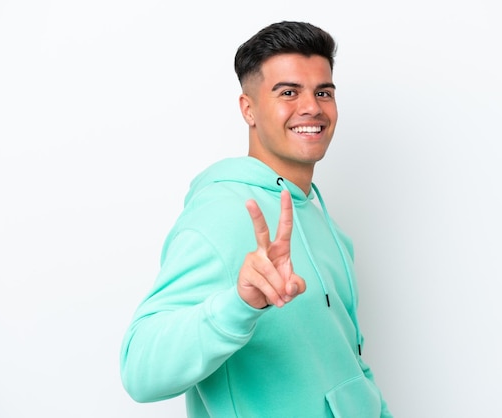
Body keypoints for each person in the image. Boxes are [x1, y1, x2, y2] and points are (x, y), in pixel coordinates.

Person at [120, 20, 393, 417]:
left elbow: (351, 363)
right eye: (288, 92)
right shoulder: (224, 213)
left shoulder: (325, 225)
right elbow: (140, 370)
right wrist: (239, 304)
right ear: (248, 109)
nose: (312, 107)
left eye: (323, 92)